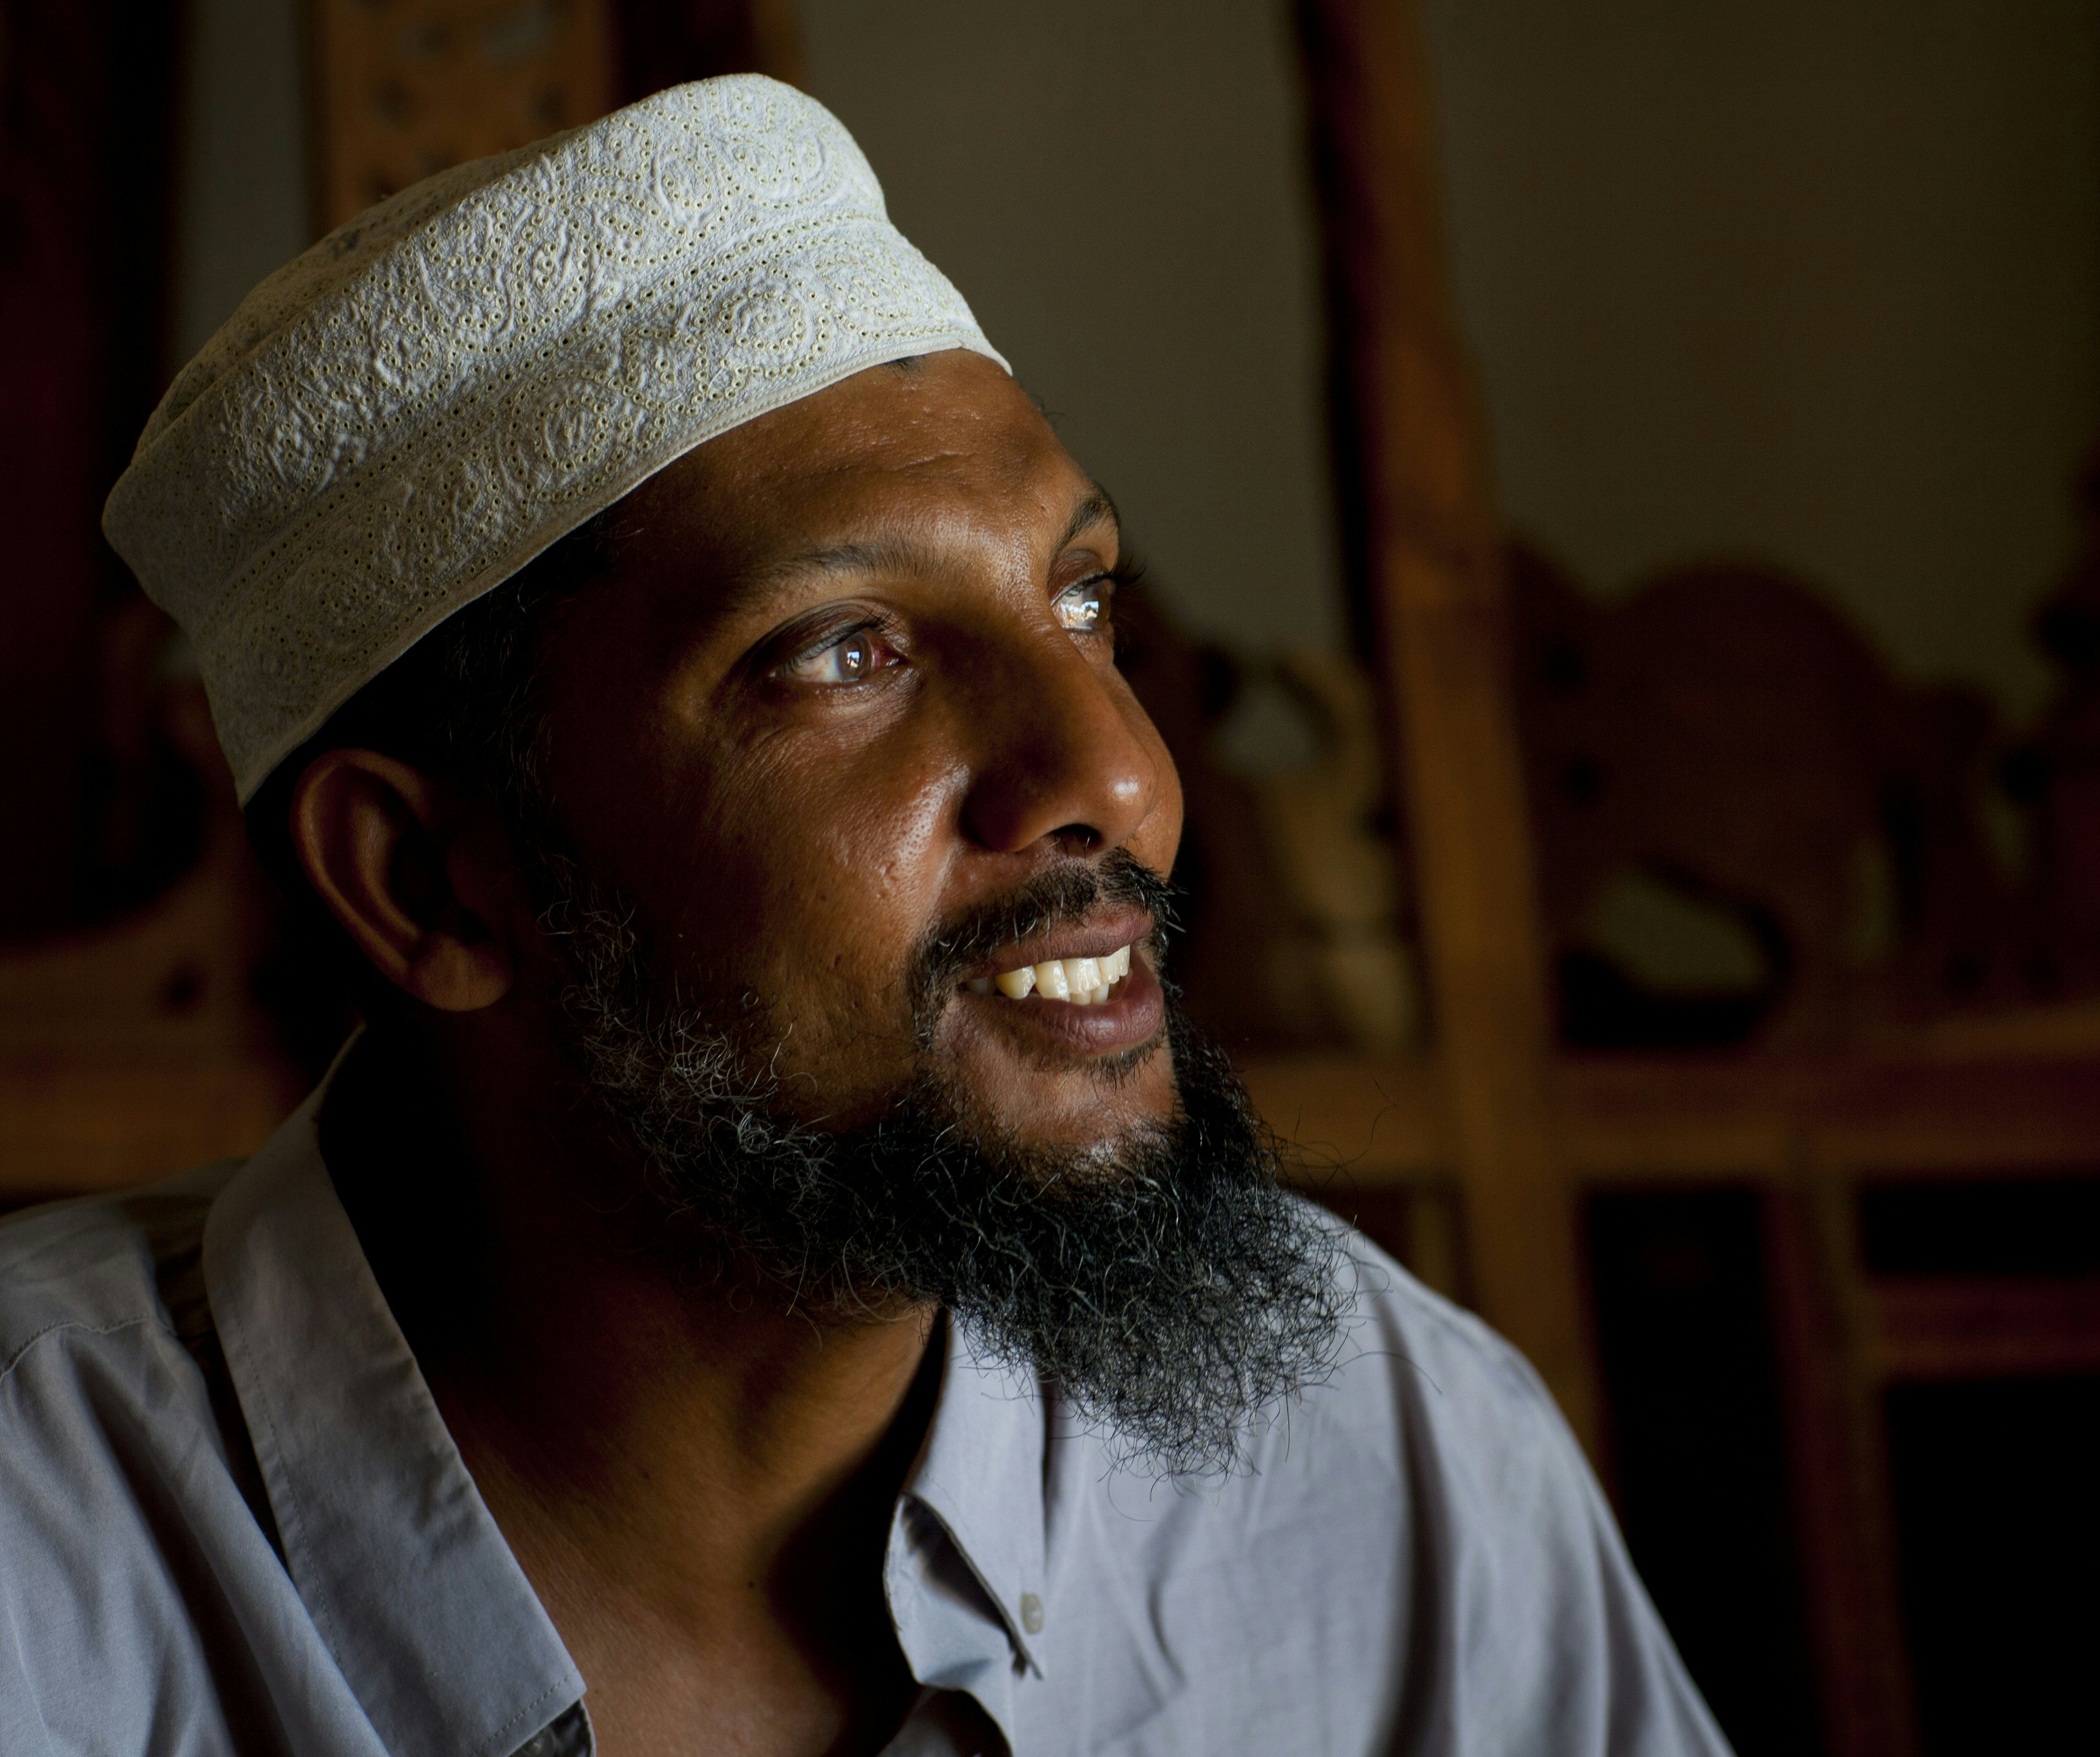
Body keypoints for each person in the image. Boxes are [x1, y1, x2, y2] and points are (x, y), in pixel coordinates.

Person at [0, 76, 1728, 1757]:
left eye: (1081, 598)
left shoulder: (1382, 1460)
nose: (1118, 775)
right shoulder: (41, 1571)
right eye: (848, 653)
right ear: (424, 880)